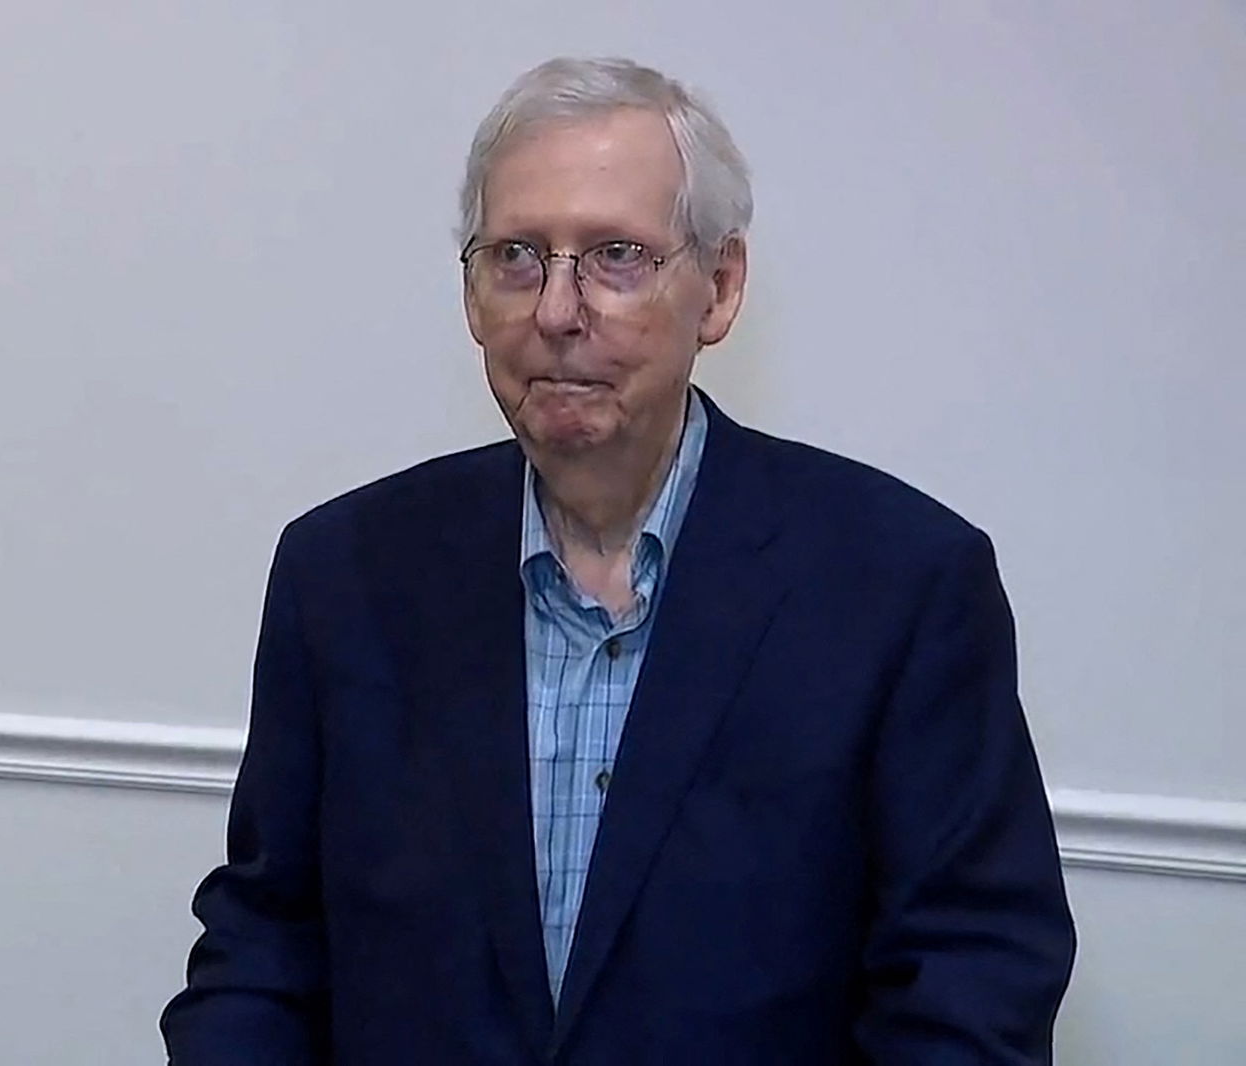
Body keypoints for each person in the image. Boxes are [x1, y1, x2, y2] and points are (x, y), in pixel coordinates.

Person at [160, 56, 1075, 1065]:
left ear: (718, 289)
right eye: (516, 255)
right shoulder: (341, 572)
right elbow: (265, 946)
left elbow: (968, 985)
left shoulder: (900, 585)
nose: (557, 309)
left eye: (615, 257)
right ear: (470, 295)